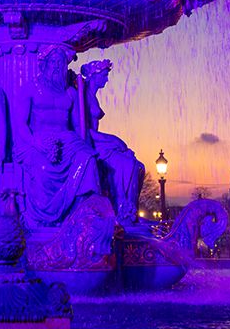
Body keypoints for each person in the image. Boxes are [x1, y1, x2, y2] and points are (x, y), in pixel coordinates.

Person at [11, 45, 101, 227]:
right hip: (35, 141)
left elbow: (77, 125)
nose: (57, 66)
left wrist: (83, 145)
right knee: (43, 168)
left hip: (67, 140)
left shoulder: (71, 93)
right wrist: (36, 142)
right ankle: (44, 220)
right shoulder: (30, 89)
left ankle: (81, 214)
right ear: (43, 65)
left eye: (61, 63)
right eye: (53, 62)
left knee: (88, 160)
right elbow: (20, 124)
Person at [80, 60, 145, 223]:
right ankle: (121, 208)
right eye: (104, 75)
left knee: (134, 163)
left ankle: (127, 209)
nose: (107, 80)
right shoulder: (82, 95)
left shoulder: (90, 95)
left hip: (96, 140)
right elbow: (83, 130)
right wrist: (112, 140)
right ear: (95, 75)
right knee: (125, 163)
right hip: (88, 142)